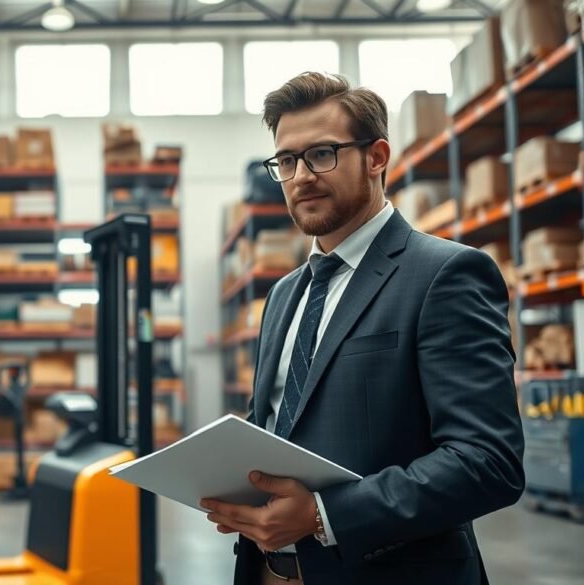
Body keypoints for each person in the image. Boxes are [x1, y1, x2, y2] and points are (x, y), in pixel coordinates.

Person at [201, 72, 525, 585]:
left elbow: (487, 462)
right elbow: (278, 424)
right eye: (287, 161)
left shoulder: (445, 275)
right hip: (270, 569)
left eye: (321, 154)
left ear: (376, 157)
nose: (301, 176)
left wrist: (324, 516)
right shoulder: (284, 295)